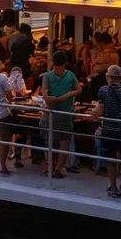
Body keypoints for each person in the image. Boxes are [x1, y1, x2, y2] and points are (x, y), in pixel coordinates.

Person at [93, 65, 121, 198]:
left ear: (108, 77)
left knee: (110, 159)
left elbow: (99, 112)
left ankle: (113, 185)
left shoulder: (103, 90)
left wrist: (94, 111)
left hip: (109, 129)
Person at [42, 50, 80, 179]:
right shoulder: (70, 75)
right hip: (65, 112)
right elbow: (79, 89)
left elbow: (45, 96)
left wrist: (55, 99)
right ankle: (58, 169)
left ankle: (50, 167)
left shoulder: (47, 76)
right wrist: (67, 95)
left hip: (51, 113)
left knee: (50, 141)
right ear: (66, 63)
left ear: (52, 62)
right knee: (64, 141)